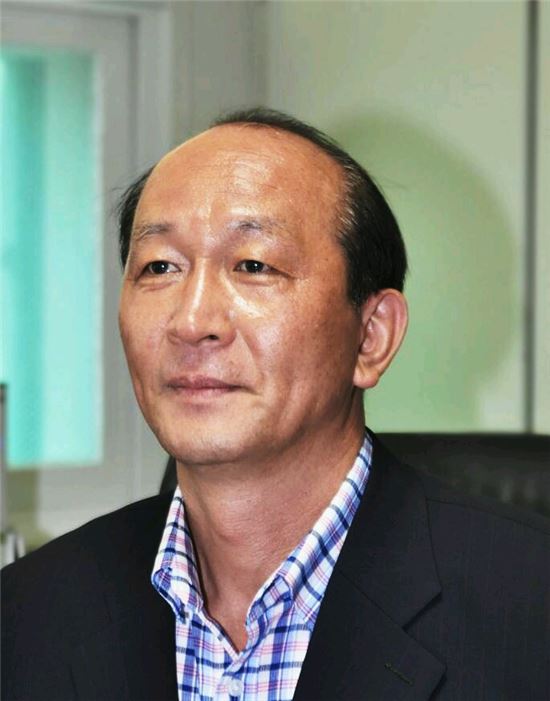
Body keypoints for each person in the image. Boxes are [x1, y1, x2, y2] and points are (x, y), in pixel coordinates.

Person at [2, 108, 549, 701]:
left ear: (371, 336)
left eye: (254, 265)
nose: (192, 321)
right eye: (160, 267)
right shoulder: (26, 614)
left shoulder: (527, 608)